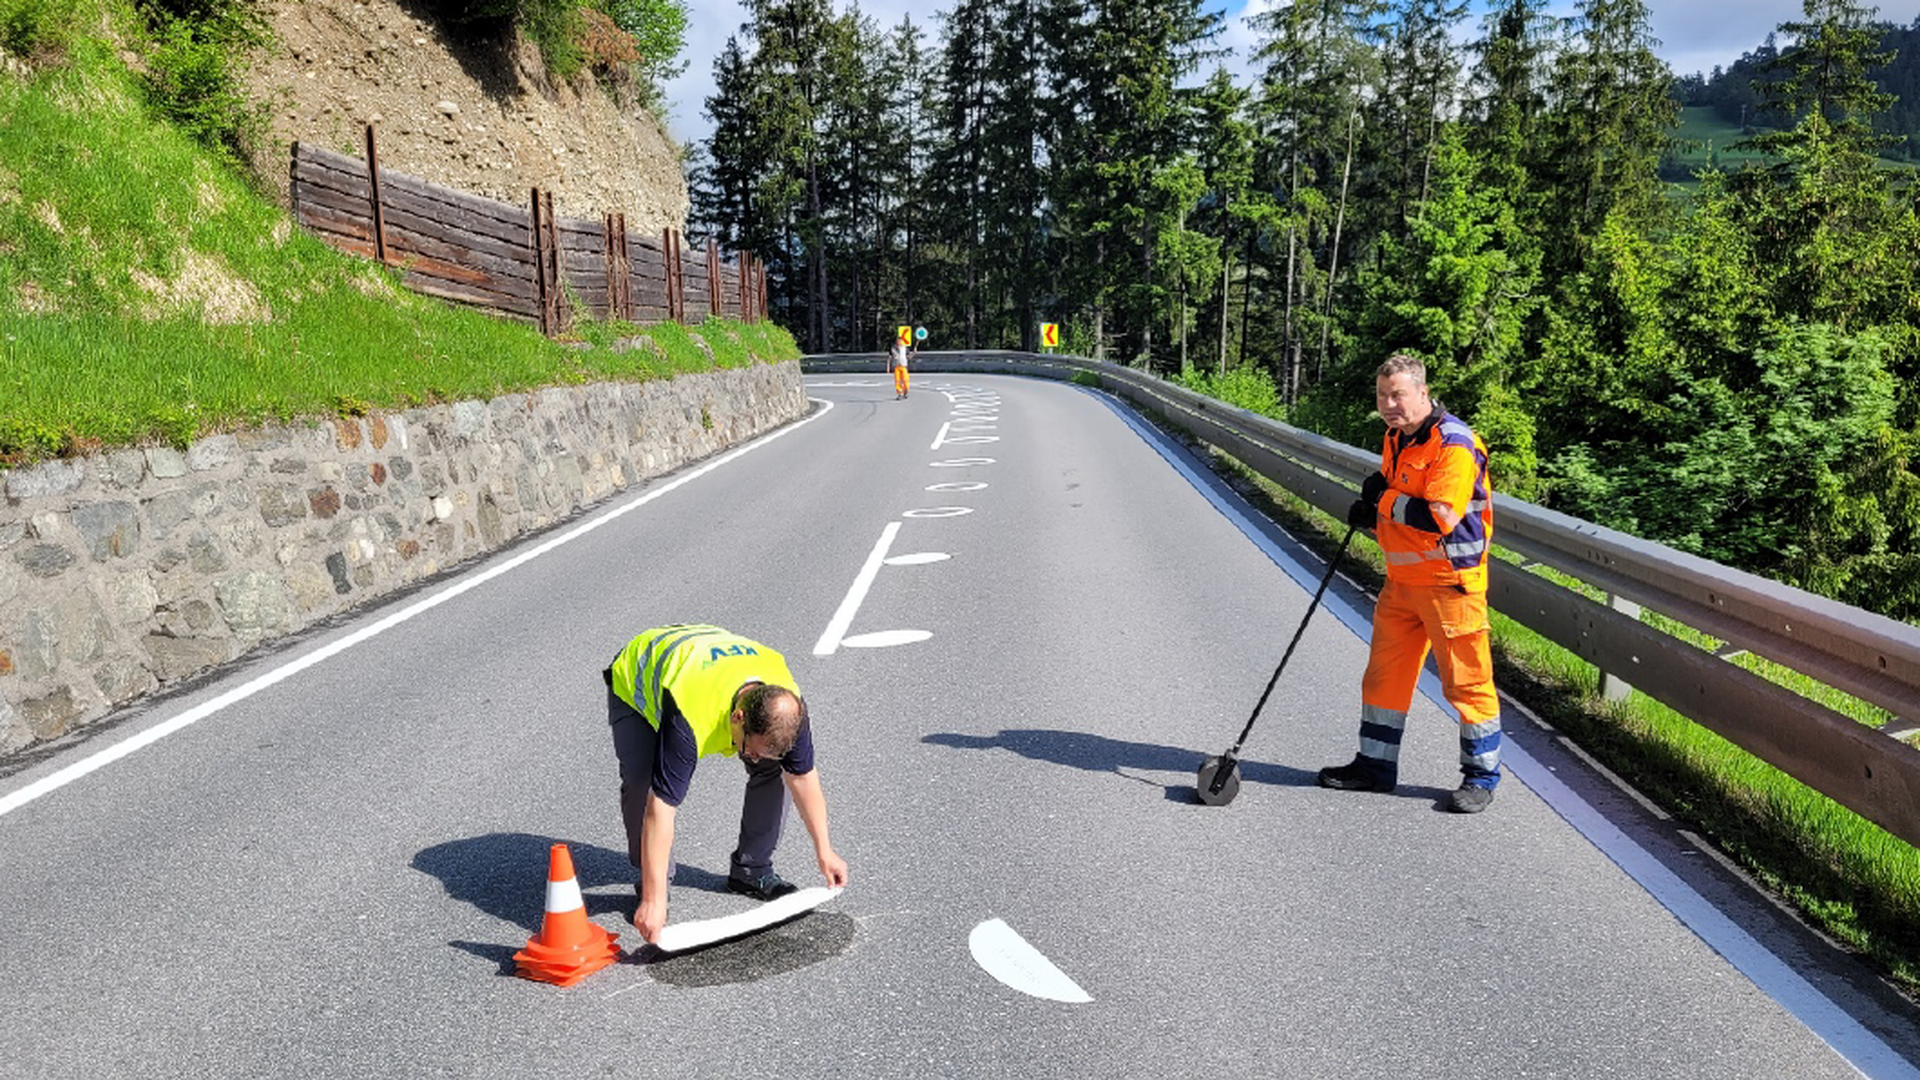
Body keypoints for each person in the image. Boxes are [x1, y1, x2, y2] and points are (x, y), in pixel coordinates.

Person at [1318, 354, 1502, 813]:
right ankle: (1374, 767)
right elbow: (1400, 494)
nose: (1388, 404)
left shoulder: (1454, 444)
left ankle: (1481, 777)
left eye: (1397, 395)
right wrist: (1373, 511)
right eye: (1382, 395)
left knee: (1467, 683)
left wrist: (1381, 500)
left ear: (1423, 393)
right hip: (1402, 582)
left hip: (1450, 584)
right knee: (1385, 677)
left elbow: (1437, 517)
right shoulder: (1396, 437)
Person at [604, 624, 850, 943]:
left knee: (773, 769)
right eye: (750, 748)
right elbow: (661, 807)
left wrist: (825, 851)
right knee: (643, 782)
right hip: (640, 674)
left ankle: (752, 871)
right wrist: (654, 898)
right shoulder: (689, 711)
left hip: (709, 659)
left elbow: (802, 776)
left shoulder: (789, 709)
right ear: (738, 717)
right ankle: (655, 884)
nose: (753, 757)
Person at [888, 334, 915, 399]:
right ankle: (899, 393)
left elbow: (909, 356)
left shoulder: (905, 348)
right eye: (897, 341)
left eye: (900, 341)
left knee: (905, 380)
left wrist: (913, 354)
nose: (899, 342)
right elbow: (889, 358)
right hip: (896, 366)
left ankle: (905, 392)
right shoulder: (893, 349)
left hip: (903, 366)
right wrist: (888, 367)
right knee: (897, 381)